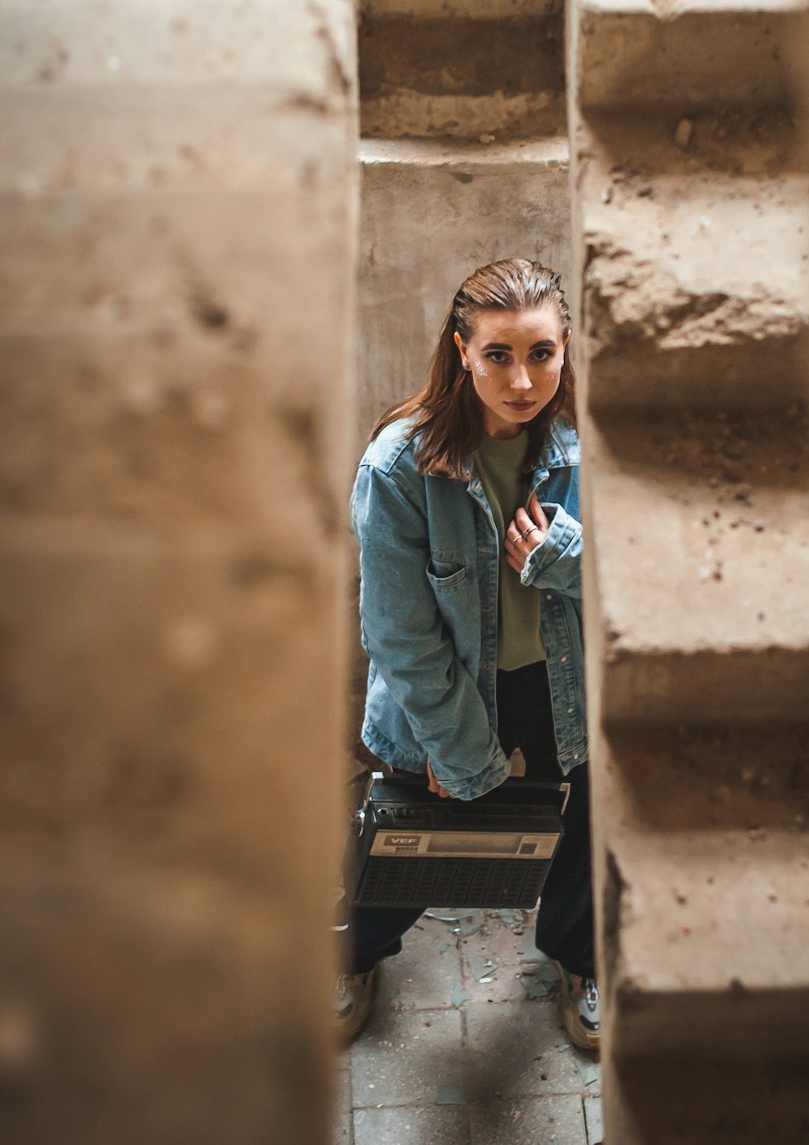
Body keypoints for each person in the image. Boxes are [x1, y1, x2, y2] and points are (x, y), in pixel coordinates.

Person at [334, 257, 598, 1052]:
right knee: (409, 842)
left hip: (561, 683)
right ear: (460, 351)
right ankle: (350, 954)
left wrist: (563, 558)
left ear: (565, 349)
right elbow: (397, 634)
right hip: (444, 698)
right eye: (498, 355)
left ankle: (579, 961)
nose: (522, 379)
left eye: (541, 354)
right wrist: (457, 748)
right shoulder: (398, 467)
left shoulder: (589, 446)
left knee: (582, 828)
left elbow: (644, 578)